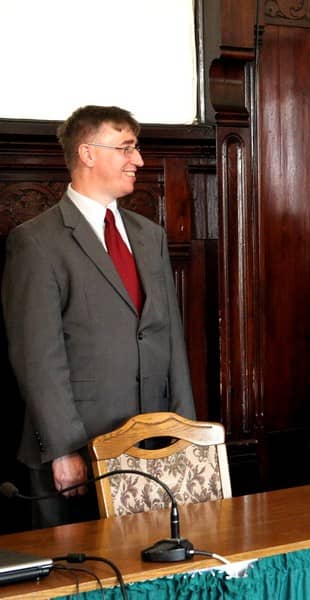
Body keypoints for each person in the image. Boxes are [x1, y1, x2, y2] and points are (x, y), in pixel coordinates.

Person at [2, 105, 195, 528]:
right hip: (80, 452)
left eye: (136, 148)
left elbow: (170, 342)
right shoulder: (36, 242)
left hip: (154, 442)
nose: (138, 160)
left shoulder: (150, 236)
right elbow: (37, 358)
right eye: (126, 148)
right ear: (87, 153)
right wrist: (63, 449)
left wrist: (184, 431)